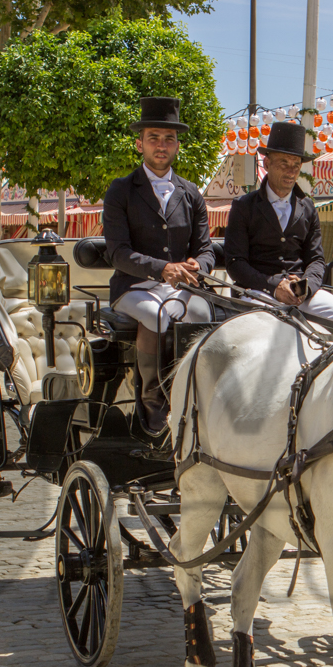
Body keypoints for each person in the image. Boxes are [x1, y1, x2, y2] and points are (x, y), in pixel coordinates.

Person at [102, 96, 219, 435]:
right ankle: (153, 400)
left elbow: (205, 249)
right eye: (154, 138)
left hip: (181, 286)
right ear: (140, 143)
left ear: (177, 145)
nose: (161, 145)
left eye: (169, 139)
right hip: (134, 286)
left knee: (204, 313)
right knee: (156, 315)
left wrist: (199, 264)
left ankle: (197, 396)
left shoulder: (191, 193)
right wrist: (163, 269)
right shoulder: (121, 190)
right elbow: (118, 252)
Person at [224, 121, 333, 323]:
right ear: (267, 164)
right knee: (266, 323)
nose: (291, 171)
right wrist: (274, 286)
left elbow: (316, 260)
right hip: (258, 291)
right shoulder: (244, 206)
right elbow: (235, 263)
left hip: (300, 294)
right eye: (284, 163)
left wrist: (306, 287)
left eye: (296, 165)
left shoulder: (308, 207)